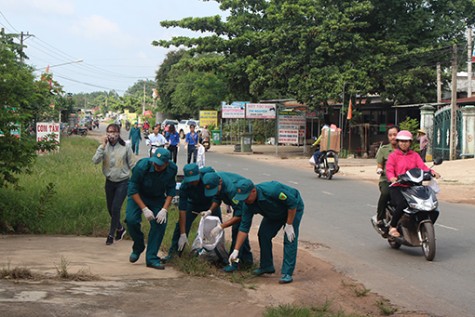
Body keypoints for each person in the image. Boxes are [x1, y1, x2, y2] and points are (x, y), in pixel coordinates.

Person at [230, 178, 304, 284]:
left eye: (246, 197)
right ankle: (266, 266)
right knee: (263, 234)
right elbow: (244, 228)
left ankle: (287, 273)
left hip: (292, 209)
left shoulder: (272, 190)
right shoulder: (247, 205)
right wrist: (236, 250)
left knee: (289, 237)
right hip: (273, 213)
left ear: (253, 191)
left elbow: (292, 204)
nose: (245, 200)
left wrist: (289, 224)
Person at [125, 148, 177, 269]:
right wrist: (144, 209)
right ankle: (138, 246)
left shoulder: (172, 169)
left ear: (166, 163)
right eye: (155, 162)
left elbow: (171, 190)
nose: (156, 166)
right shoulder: (142, 166)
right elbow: (132, 189)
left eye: (159, 164)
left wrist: (164, 209)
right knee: (131, 220)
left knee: (160, 224)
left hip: (157, 198)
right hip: (138, 196)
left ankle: (152, 258)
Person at [385, 130, 439, 238]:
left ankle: (420, 225)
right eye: (401, 141)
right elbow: (389, 169)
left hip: (413, 186)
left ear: (410, 143)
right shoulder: (393, 156)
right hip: (398, 186)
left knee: (430, 204)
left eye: (406, 141)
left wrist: (432, 172)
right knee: (403, 203)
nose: (404, 143)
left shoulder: (414, 155)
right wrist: (392, 178)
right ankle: (393, 226)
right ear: (398, 142)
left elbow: (422, 167)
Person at [92, 123, 135, 245]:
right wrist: (102, 146)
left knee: (116, 207)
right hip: (109, 181)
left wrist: (137, 179)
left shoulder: (125, 147)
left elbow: (132, 164)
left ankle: (111, 234)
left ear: (118, 133)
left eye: (114, 132)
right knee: (110, 209)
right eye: (109, 132)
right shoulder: (104, 147)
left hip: (123, 181)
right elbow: (95, 160)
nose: (112, 134)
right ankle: (120, 228)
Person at [164, 164, 218, 260]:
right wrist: (183, 233)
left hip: (210, 204)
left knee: (217, 227)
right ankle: (174, 254)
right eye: (190, 180)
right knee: (180, 227)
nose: (193, 182)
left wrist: (210, 210)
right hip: (193, 204)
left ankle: (219, 255)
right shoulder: (184, 186)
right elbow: (182, 210)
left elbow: (217, 197)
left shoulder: (207, 177)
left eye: (195, 179)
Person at [203, 172, 253, 272]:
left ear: (220, 183)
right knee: (241, 234)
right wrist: (209, 211)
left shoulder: (232, 190)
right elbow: (217, 198)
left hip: (245, 202)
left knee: (237, 231)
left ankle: (233, 264)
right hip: (238, 204)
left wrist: (221, 226)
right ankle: (247, 261)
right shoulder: (215, 180)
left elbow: (240, 215)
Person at [374, 125, 399, 226]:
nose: (393, 137)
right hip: (386, 179)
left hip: (402, 180)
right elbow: (379, 165)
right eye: (390, 135)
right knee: (385, 193)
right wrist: (380, 170)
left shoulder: (404, 149)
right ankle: (379, 217)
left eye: (395, 135)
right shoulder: (384, 150)